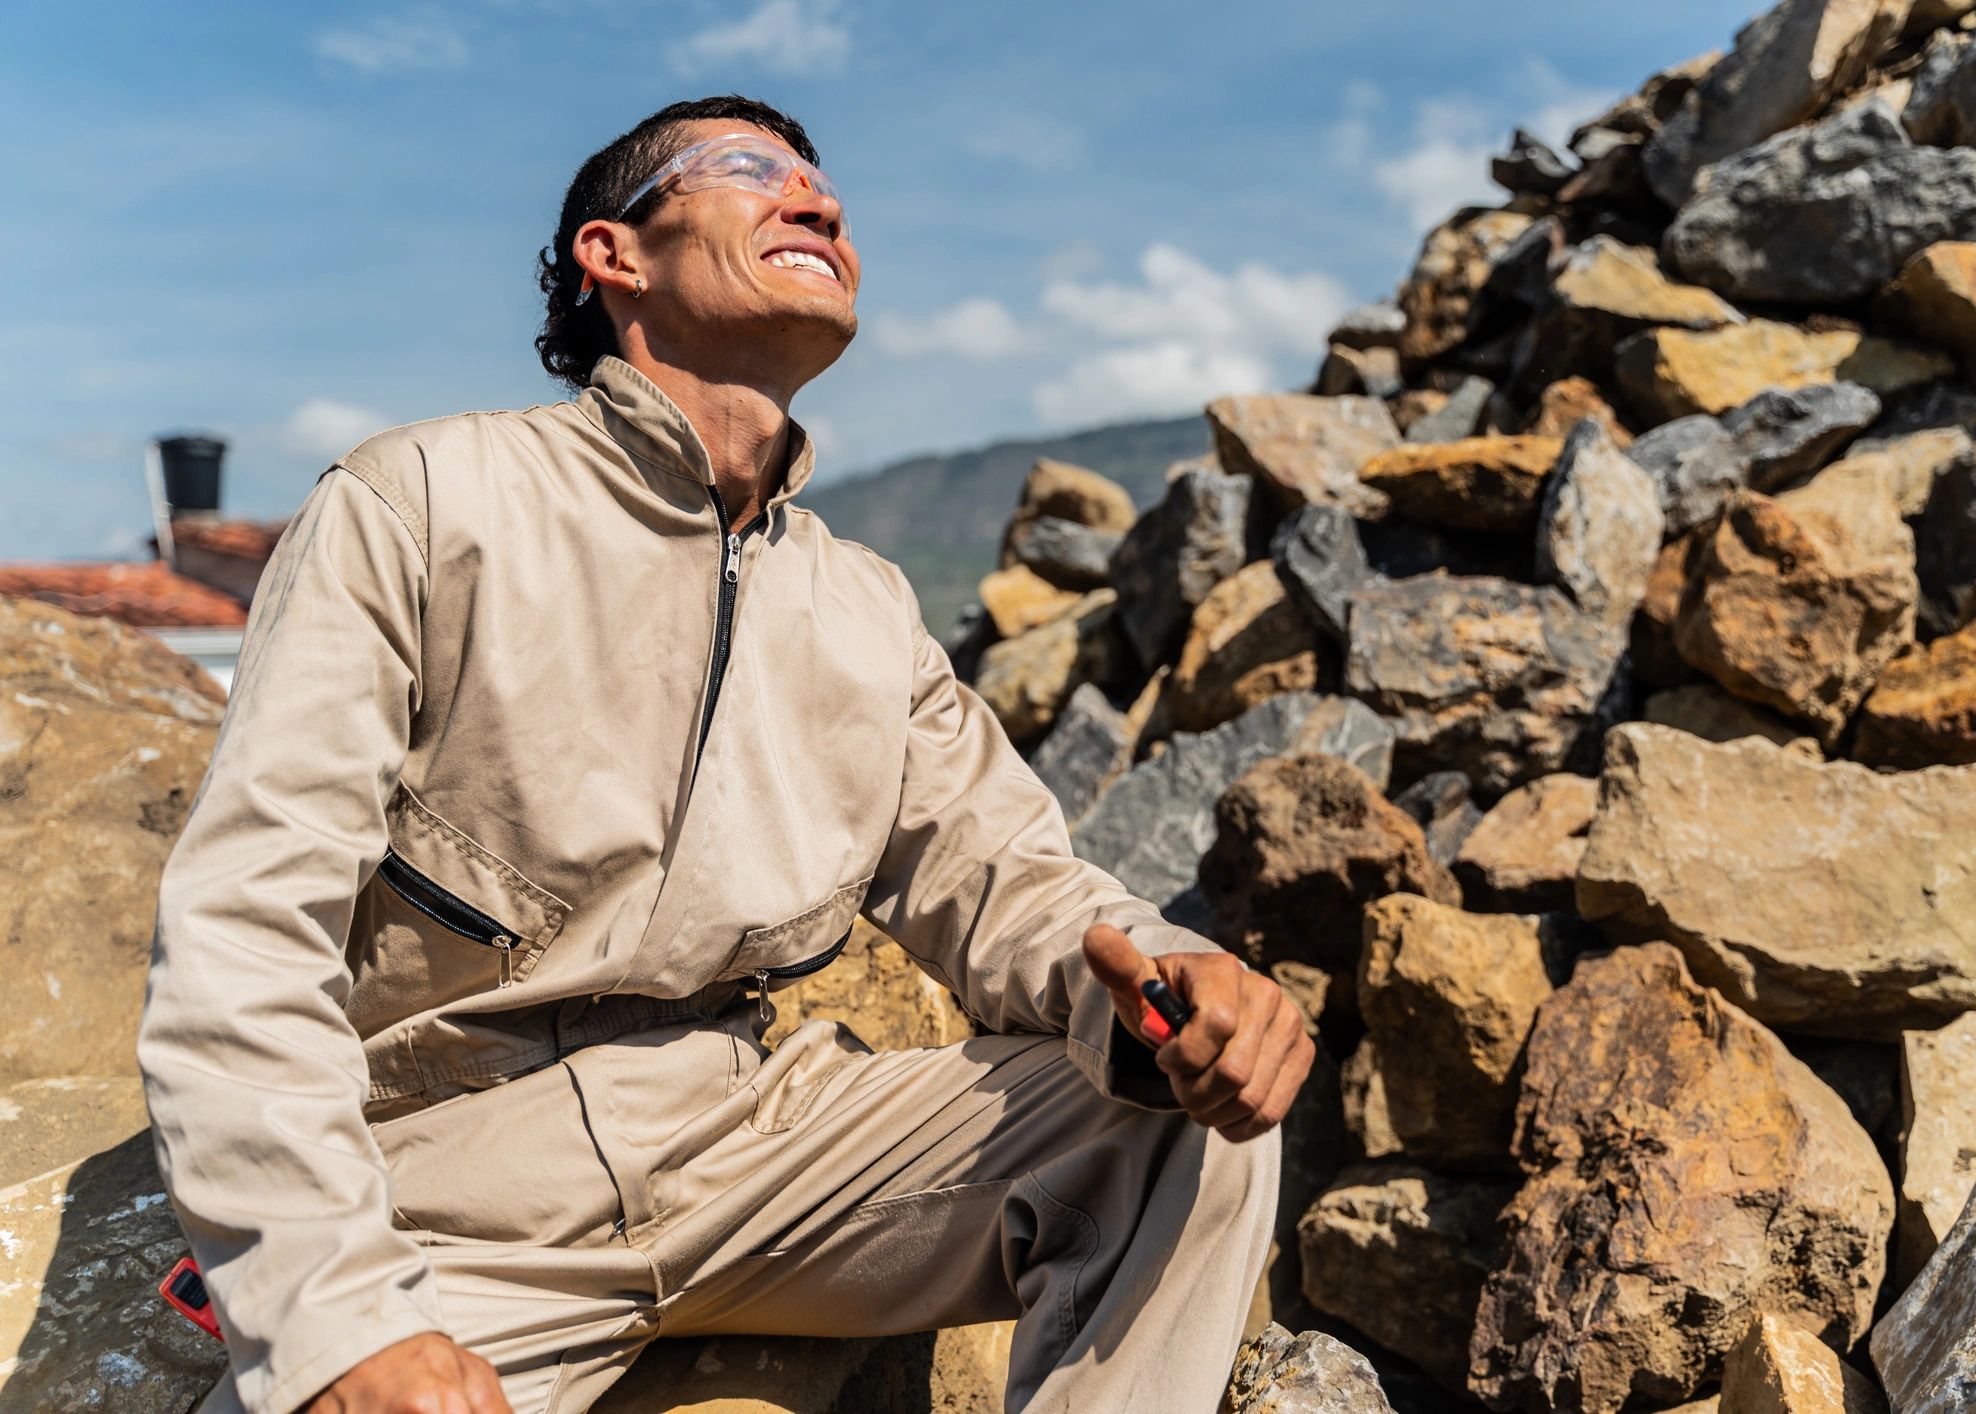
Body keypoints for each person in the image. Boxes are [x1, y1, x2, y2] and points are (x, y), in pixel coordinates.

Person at [136, 94, 1313, 1414]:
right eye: (753, 171)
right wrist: (337, 1318)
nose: (819, 204)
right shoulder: (420, 504)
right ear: (613, 254)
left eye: (828, 192)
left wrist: (1172, 987)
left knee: (1177, 1126)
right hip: (453, 1195)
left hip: (756, 1148)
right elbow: (246, 930)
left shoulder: (860, 603)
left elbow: (1011, 880)